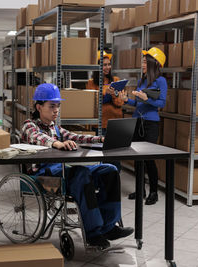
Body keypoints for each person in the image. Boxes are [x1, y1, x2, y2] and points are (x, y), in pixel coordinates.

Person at [21, 83, 134, 249]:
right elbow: (39, 138)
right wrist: (57, 143)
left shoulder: (55, 128)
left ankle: (109, 227)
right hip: (43, 176)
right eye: (52, 106)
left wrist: (100, 139)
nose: (56, 110)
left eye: (58, 106)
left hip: (61, 170)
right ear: (39, 107)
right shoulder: (29, 126)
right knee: (80, 174)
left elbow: (76, 136)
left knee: (109, 170)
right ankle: (93, 233)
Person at [120, 47, 167, 205]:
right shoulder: (142, 80)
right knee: (137, 159)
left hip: (151, 123)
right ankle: (140, 189)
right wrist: (127, 100)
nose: (143, 64)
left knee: (148, 158)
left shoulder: (161, 81)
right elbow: (137, 103)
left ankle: (154, 192)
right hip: (137, 121)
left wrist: (146, 98)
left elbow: (161, 103)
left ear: (154, 63)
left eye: (146, 61)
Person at [87, 50, 125, 171]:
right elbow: (92, 103)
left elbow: (120, 103)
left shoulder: (116, 80)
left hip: (115, 124)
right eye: (104, 64)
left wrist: (113, 94)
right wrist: (105, 93)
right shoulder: (91, 83)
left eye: (109, 64)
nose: (107, 67)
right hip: (99, 124)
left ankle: (114, 181)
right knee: (99, 156)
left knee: (115, 155)